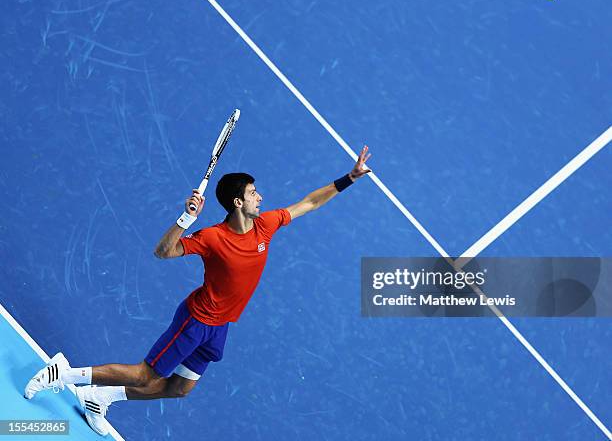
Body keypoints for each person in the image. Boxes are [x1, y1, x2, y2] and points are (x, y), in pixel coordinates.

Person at [25, 146, 372, 436]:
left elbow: (309, 202)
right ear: (238, 202)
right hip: (197, 320)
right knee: (147, 375)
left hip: (220, 327)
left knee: (179, 388)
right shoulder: (213, 238)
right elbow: (164, 252)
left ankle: (101, 398)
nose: (260, 197)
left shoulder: (266, 225)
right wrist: (185, 220)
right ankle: (62, 373)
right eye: (253, 193)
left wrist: (350, 178)